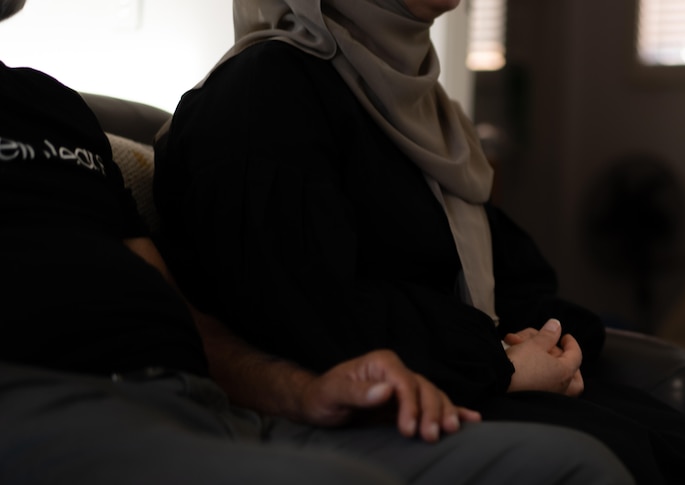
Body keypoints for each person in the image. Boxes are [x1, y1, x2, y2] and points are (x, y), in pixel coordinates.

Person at [0, 1, 639, 484]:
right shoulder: (261, 96)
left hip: (204, 398)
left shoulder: (44, 103)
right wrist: (494, 359)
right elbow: (305, 302)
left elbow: (177, 313)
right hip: (61, 402)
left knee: (582, 463)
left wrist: (303, 392)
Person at [153, 0, 685, 484]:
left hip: (463, 375)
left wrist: (551, 347)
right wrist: (500, 365)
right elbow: (309, 317)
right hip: (384, 401)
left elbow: (513, 279)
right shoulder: (264, 95)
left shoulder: (431, 111)